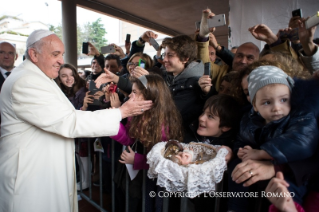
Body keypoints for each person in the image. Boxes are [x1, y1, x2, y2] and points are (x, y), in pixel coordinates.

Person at [0, 29, 152, 212]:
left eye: (62, 54)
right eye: (55, 54)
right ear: (33, 54)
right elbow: (69, 121)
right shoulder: (25, 81)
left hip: (42, 167)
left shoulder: (37, 77)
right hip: (31, 174)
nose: (61, 61)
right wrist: (120, 113)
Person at [229, 65, 319, 211]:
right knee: (237, 170)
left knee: (288, 189)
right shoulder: (249, 120)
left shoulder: (299, 117)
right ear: (255, 106)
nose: (276, 108)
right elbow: (243, 138)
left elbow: (301, 142)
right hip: (265, 167)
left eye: (283, 100)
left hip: (294, 173)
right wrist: (241, 150)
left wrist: (261, 153)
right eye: (267, 102)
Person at [111, 74, 183, 212]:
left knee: (155, 205)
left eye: (135, 92)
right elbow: (129, 138)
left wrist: (137, 159)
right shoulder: (136, 115)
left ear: (151, 97)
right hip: (144, 176)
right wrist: (113, 124)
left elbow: (165, 160)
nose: (130, 96)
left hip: (158, 180)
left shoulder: (164, 125)